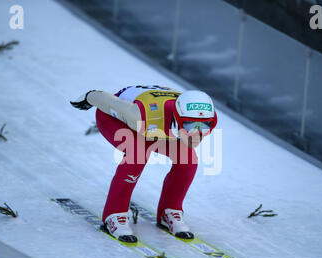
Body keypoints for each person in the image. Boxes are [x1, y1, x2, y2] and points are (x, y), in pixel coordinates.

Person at [70, 85, 217, 243]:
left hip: (160, 126)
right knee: (137, 155)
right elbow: (106, 100)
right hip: (121, 118)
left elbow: (193, 127)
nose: (197, 133)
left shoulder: (208, 117)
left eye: (203, 127)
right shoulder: (140, 115)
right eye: (190, 126)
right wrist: (89, 96)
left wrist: (188, 129)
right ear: (178, 119)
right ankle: (114, 214)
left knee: (188, 160)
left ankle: (170, 210)